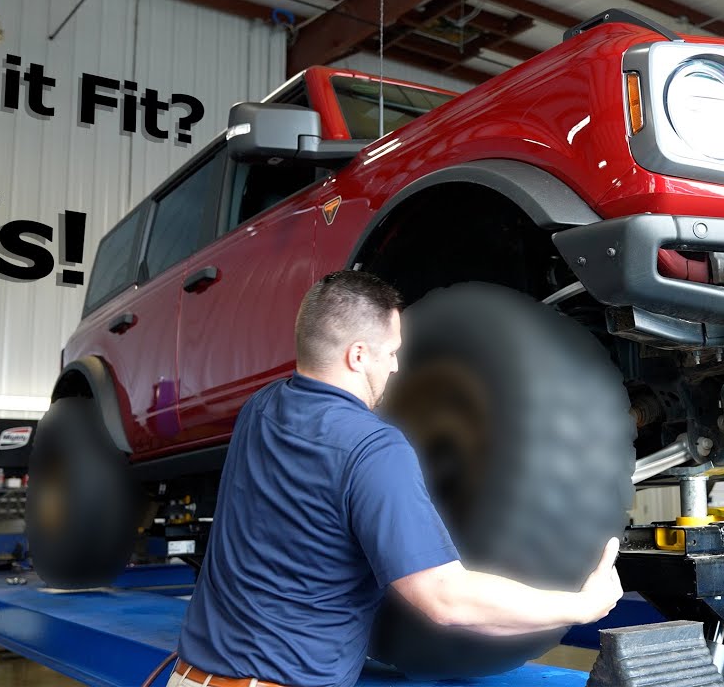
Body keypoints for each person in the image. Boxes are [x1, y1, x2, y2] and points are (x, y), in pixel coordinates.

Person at [173, 270, 623, 687]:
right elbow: (445, 600)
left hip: (190, 675)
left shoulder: (259, 410)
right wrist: (581, 606)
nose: (394, 367)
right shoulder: (372, 448)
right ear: (357, 355)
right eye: (391, 352)